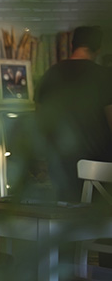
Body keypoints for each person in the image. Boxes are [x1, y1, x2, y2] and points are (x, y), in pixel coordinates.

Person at [34, 26, 112, 202]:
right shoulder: (105, 77)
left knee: (65, 219)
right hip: (99, 170)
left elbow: (40, 126)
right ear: (98, 49)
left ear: (72, 45)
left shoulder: (50, 75)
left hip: (61, 170)